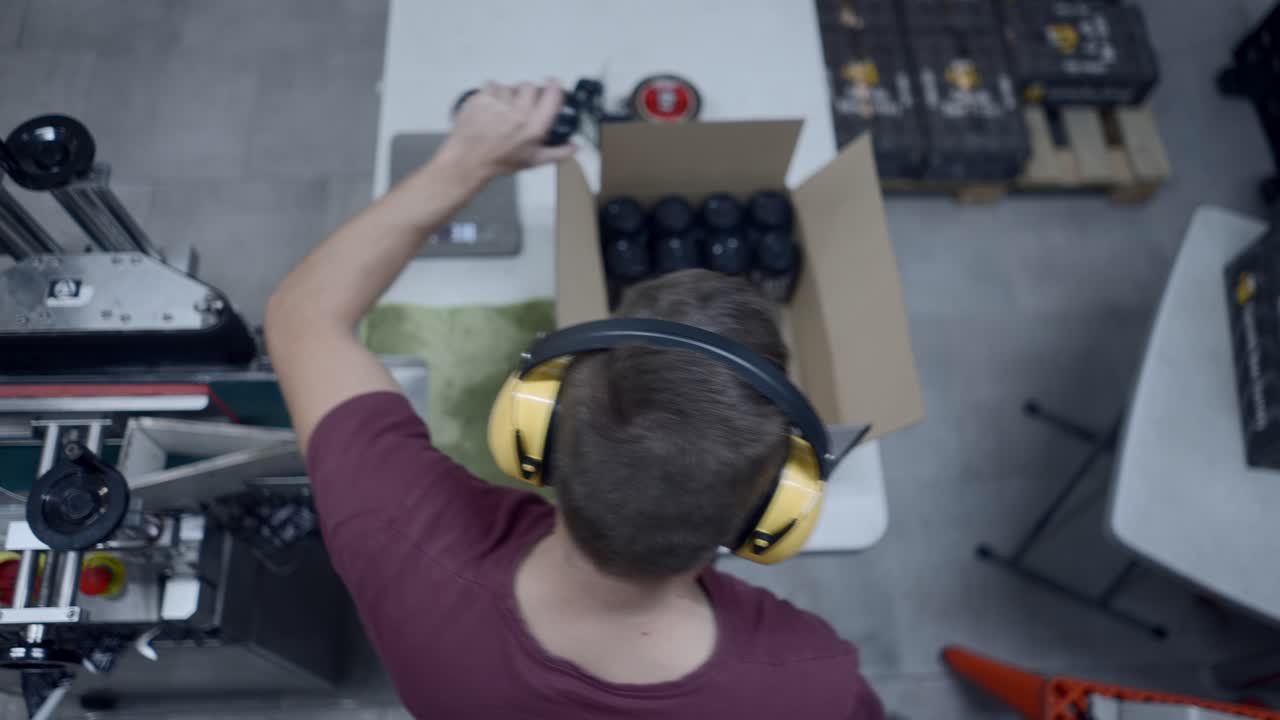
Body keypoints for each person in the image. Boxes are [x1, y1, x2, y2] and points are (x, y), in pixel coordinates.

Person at [266, 78, 884, 719]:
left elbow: (302, 318)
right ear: (775, 511)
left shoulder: (397, 542)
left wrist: (468, 160)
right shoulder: (812, 686)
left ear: (531, 429)